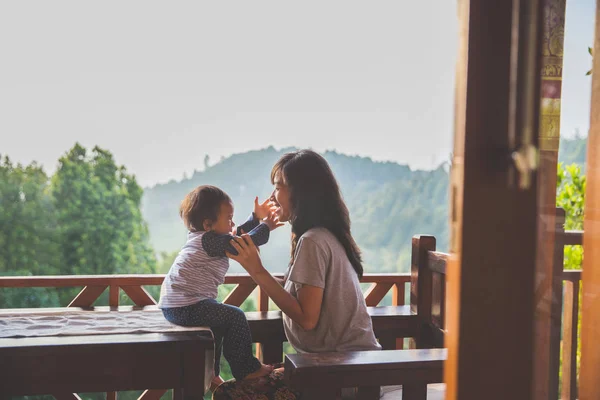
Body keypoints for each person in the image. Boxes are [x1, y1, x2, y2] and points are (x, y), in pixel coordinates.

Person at [215, 149, 380, 399]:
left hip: (343, 375)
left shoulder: (313, 240)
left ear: (302, 192)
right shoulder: (323, 235)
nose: (272, 195)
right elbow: (302, 294)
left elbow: (307, 318)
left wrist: (257, 271)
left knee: (228, 393)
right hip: (341, 367)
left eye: (279, 186)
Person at [158, 185, 282, 389]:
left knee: (217, 328)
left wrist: (255, 217)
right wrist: (266, 225)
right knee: (235, 316)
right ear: (208, 224)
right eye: (229, 218)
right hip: (186, 306)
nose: (232, 223)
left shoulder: (205, 238)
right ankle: (246, 368)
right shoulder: (210, 241)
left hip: (179, 305)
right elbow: (245, 242)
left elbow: (238, 234)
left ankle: (212, 373)